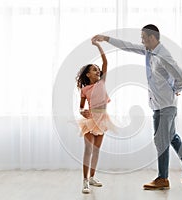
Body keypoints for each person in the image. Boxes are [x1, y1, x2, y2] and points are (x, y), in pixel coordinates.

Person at [92, 24, 182, 190]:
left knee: (161, 140)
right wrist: (106, 39)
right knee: (171, 136)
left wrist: (175, 91)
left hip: (166, 105)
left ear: (152, 38)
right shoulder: (149, 52)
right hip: (158, 104)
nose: (141, 41)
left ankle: (163, 178)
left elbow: (181, 78)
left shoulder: (163, 56)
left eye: (144, 38)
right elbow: (129, 46)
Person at [76, 39, 114, 194]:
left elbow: (105, 61)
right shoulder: (85, 90)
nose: (97, 71)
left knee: (97, 151)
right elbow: (80, 107)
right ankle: (84, 181)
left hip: (102, 119)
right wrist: (81, 111)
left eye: (98, 69)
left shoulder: (102, 82)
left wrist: (99, 46)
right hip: (90, 120)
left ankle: (92, 177)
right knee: (88, 150)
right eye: (94, 69)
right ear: (87, 74)